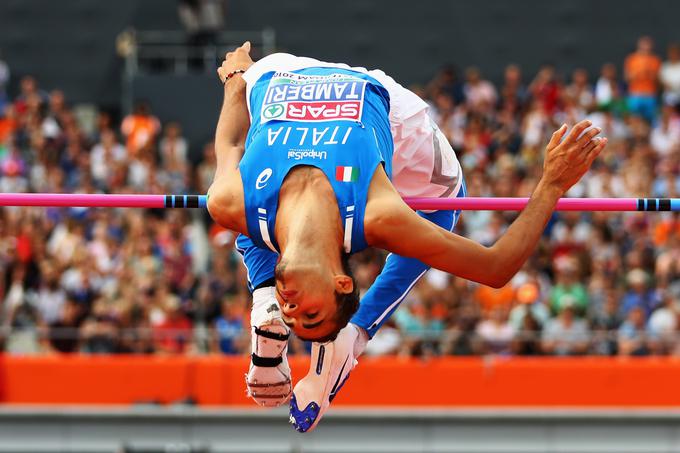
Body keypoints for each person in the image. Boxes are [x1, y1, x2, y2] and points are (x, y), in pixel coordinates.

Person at [207, 42, 606, 431]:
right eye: (310, 314)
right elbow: (496, 267)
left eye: (291, 316)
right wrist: (550, 186)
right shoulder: (377, 213)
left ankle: (262, 300)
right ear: (341, 283)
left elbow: (229, 143)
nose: (292, 309)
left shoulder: (229, 202)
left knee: (251, 217)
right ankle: (355, 333)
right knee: (446, 199)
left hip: (279, 75)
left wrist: (237, 80)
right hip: (386, 110)